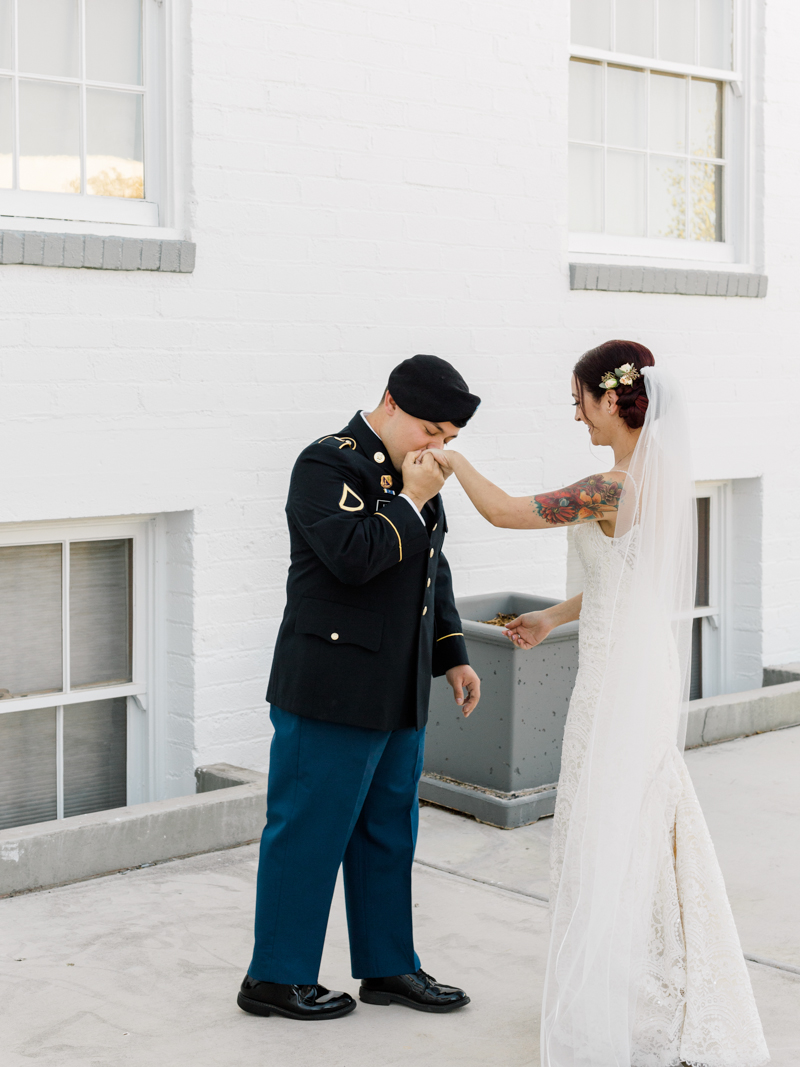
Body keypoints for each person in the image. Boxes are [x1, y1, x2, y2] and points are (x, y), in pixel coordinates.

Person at [427, 340, 769, 1067]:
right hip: (632, 658)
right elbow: (624, 575)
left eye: (579, 397)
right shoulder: (654, 480)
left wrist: (452, 461)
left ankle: (638, 997)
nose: (575, 412)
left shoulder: (610, 487)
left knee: (603, 820)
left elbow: (508, 512)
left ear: (613, 398)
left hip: (617, 675)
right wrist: (554, 616)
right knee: (636, 814)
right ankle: (654, 977)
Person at [238, 354, 482, 1021]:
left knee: (388, 832)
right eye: (431, 429)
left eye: (449, 439)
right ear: (392, 403)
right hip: (331, 685)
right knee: (309, 831)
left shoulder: (418, 477)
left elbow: (433, 566)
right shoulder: (327, 463)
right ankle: (274, 977)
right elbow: (353, 558)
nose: (438, 447)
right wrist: (411, 499)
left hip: (398, 685)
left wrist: (453, 653)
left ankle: (387, 965)